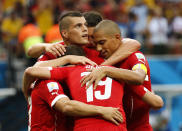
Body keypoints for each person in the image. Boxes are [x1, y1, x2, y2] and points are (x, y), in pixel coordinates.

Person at [80, 20, 163, 131]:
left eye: (102, 42)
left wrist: (107, 71)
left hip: (140, 127)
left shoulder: (135, 56)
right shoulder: (100, 61)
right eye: (96, 45)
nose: (99, 49)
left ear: (117, 37)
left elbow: (138, 77)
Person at [23, 46, 127, 131]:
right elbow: (66, 106)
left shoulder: (71, 75)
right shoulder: (47, 82)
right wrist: (102, 110)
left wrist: (26, 93)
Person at [27, 11, 141, 66]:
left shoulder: (107, 48)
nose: (92, 41)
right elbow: (31, 52)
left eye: (96, 38)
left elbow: (134, 43)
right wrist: (46, 46)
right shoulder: (66, 48)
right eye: (89, 37)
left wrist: (103, 67)